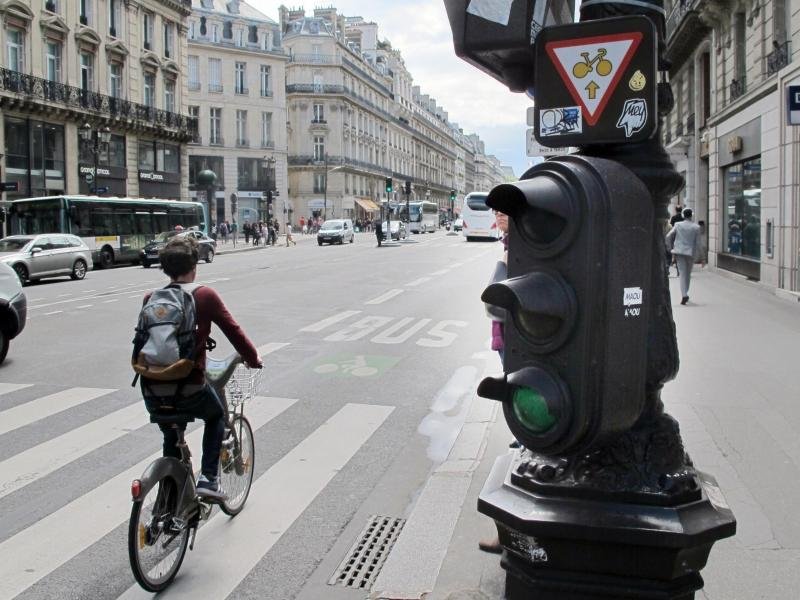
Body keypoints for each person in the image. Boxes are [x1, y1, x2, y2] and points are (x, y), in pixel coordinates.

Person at [140, 236, 262, 495]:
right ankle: (208, 478)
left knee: (171, 435)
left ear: (165, 269)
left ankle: (170, 497)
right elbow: (234, 331)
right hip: (189, 385)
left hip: (152, 388)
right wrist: (253, 359)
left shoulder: (151, 297)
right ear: (194, 266)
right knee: (216, 416)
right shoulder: (204, 295)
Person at [666, 207, 703, 305]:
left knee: (682, 273)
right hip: (690, 253)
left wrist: (670, 249)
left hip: (679, 252)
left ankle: (684, 294)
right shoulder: (696, 227)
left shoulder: (678, 225)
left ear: (683, 215)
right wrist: (703, 258)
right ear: (691, 216)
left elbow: (668, 236)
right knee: (688, 274)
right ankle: (685, 292)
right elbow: (699, 243)